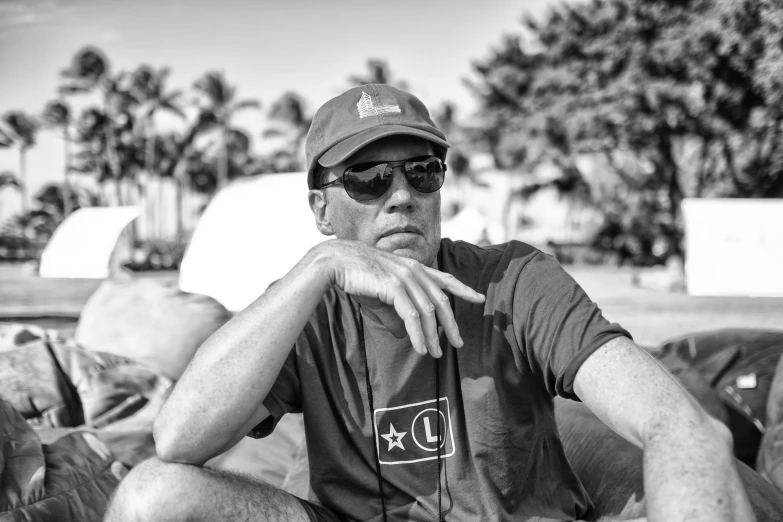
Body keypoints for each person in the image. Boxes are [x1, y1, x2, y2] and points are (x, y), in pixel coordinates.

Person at [105, 85, 754, 522]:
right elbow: (178, 439)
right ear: (320, 209)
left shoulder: (511, 278)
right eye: (366, 177)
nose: (401, 195)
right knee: (150, 493)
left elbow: (676, 424)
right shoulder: (302, 313)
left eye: (422, 171)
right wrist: (320, 268)